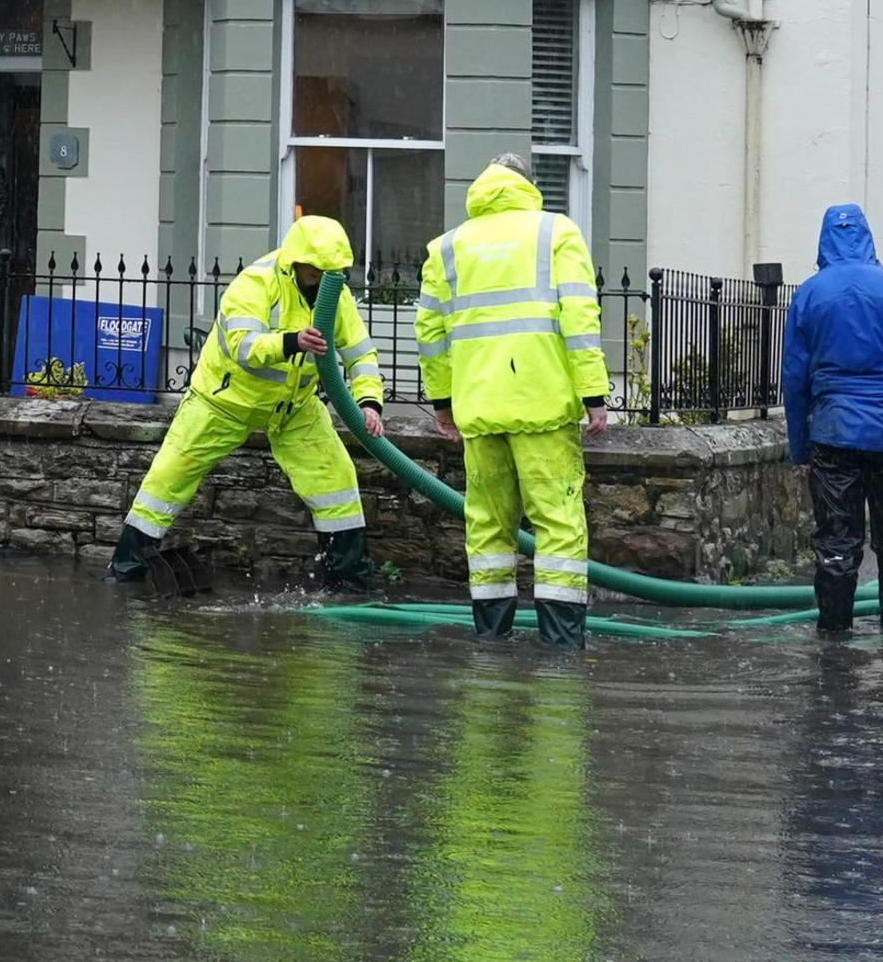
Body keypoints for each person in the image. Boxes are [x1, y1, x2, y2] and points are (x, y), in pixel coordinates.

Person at [111, 214, 387, 590]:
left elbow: (360, 354)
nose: (324, 280)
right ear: (296, 262)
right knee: (169, 476)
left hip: (294, 410)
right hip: (223, 402)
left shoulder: (334, 293)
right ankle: (127, 569)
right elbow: (242, 346)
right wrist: (291, 342)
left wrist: (369, 402)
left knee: (336, 480)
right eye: (317, 273)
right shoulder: (256, 282)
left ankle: (349, 580)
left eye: (332, 273)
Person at [413, 162, 609, 642]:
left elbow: (430, 335)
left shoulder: (446, 248)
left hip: (479, 410)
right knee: (558, 523)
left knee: (487, 526)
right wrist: (593, 394)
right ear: (528, 187)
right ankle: (560, 644)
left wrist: (442, 403)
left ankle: (491, 637)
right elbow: (579, 317)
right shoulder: (555, 233)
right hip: (541, 406)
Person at [781, 203, 883, 637]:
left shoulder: (810, 294)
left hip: (835, 434)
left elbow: (795, 379)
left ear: (824, 240)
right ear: (868, 237)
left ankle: (834, 641)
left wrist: (800, 447)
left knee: (837, 543)